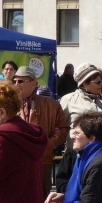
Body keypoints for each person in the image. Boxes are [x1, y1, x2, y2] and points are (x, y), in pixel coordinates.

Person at [12, 67, 68, 195]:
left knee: (41, 198)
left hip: (42, 161)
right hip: (16, 162)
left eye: (20, 81)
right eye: (14, 81)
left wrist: (49, 145)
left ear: (34, 83)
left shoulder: (51, 104)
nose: (16, 85)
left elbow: (62, 128)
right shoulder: (9, 105)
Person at [59, 63, 102, 150]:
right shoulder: (69, 100)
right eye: (98, 82)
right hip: (76, 154)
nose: (101, 85)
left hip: (97, 152)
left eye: (101, 81)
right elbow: (59, 126)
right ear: (85, 84)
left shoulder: (100, 102)